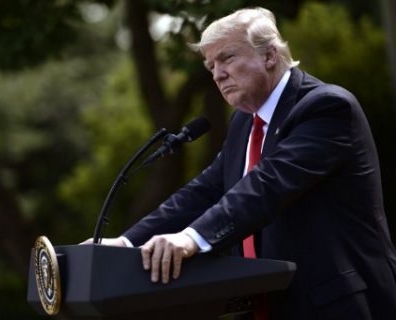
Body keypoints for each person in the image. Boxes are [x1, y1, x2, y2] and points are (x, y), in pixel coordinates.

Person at [88, 7, 396, 320]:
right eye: (210, 66)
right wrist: (126, 244)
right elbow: (204, 192)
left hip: (339, 305)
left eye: (227, 58)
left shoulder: (326, 107)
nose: (217, 74)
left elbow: (266, 186)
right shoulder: (244, 123)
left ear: (270, 55)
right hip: (267, 306)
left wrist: (190, 239)